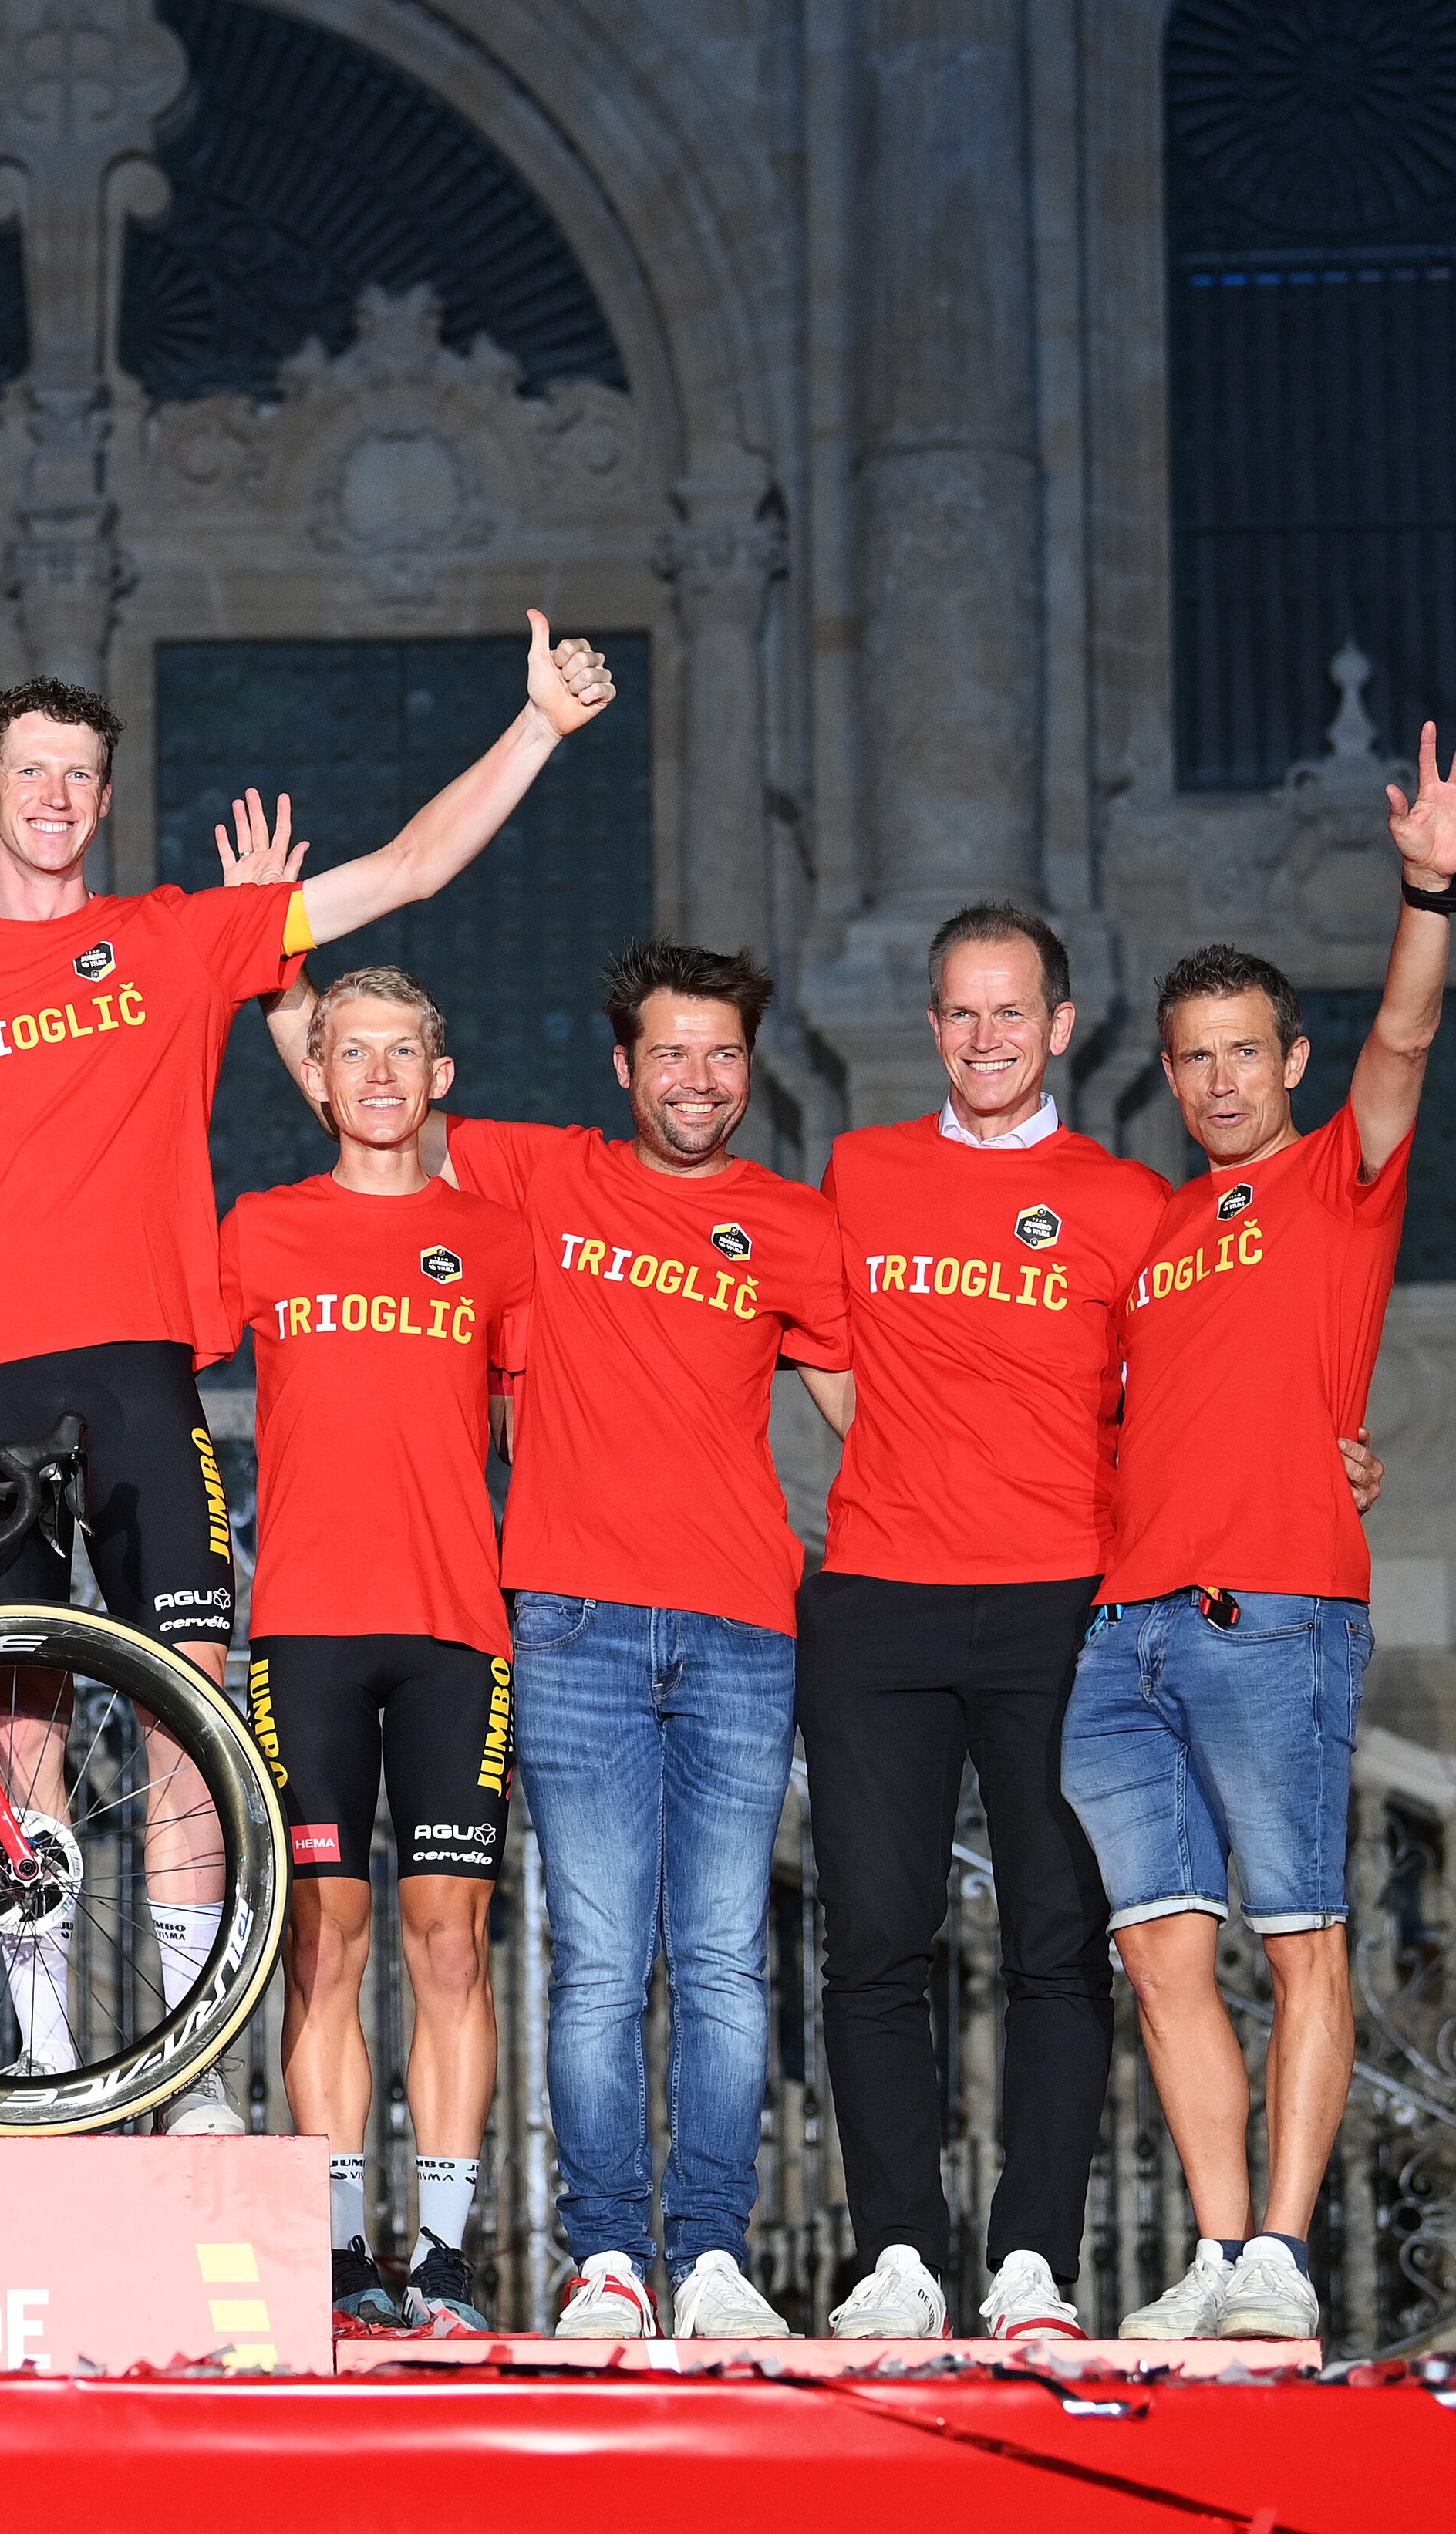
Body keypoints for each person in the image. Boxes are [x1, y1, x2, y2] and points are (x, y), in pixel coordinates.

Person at [0, 616, 615, 2132]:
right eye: (31, 771)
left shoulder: (177, 935)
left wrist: (536, 724)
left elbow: (404, 869)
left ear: (104, 796)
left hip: (143, 1372)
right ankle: (40, 2059)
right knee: (18, 1730)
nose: (56, 795)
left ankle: (189, 2067)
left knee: (192, 1710)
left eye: (81, 773)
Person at [796, 903, 1377, 2340]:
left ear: (1060, 1026)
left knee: (1062, 1943)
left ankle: (1032, 2265)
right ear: (932, 1028)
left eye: (1014, 1011)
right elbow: (828, 1359)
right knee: (874, 1941)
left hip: (1066, 1600)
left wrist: (1324, 1455)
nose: (986, 1036)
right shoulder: (860, 1170)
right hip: (880, 1595)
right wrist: (913, 1463)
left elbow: (1192, 1389)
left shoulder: (1136, 1205)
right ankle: (898, 2257)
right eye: (962, 1011)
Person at [1080, 724, 1456, 2344]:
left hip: (1271, 1611)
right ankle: (1217, 2250)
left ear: (1291, 1061)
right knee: (1161, 1956)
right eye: (1193, 1056)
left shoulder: (1339, 1181)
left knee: (1298, 1938)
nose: (1218, 1080)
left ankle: (1281, 2247)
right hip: (1121, 1632)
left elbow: (1407, 1039)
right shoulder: (1148, 1234)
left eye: (1244, 1053)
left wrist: (1428, 888)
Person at [379, 940, 854, 2340]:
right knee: (595, 1959)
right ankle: (605, 2258)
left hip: (743, 1628)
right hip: (573, 1620)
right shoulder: (544, 1172)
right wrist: (278, 970)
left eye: (722, 1054)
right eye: (671, 1053)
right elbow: (368, 1098)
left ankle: (708, 2254)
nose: (699, 1079)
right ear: (623, 1067)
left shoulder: (794, 1223)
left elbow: (889, 1422)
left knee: (722, 1960)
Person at [221, 967, 533, 2333]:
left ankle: (447, 2260)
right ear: (319, 1078)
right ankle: (345, 2255)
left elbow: (550, 1426)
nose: (383, 1073)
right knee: (326, 1939)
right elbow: (132, 1315)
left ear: (439, 1076)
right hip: (307, 1632)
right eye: (355, 1052)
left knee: (450, 1940)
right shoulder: (262, 1227)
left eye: (406, 1051)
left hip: (459, 1629)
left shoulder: (500, 1242)